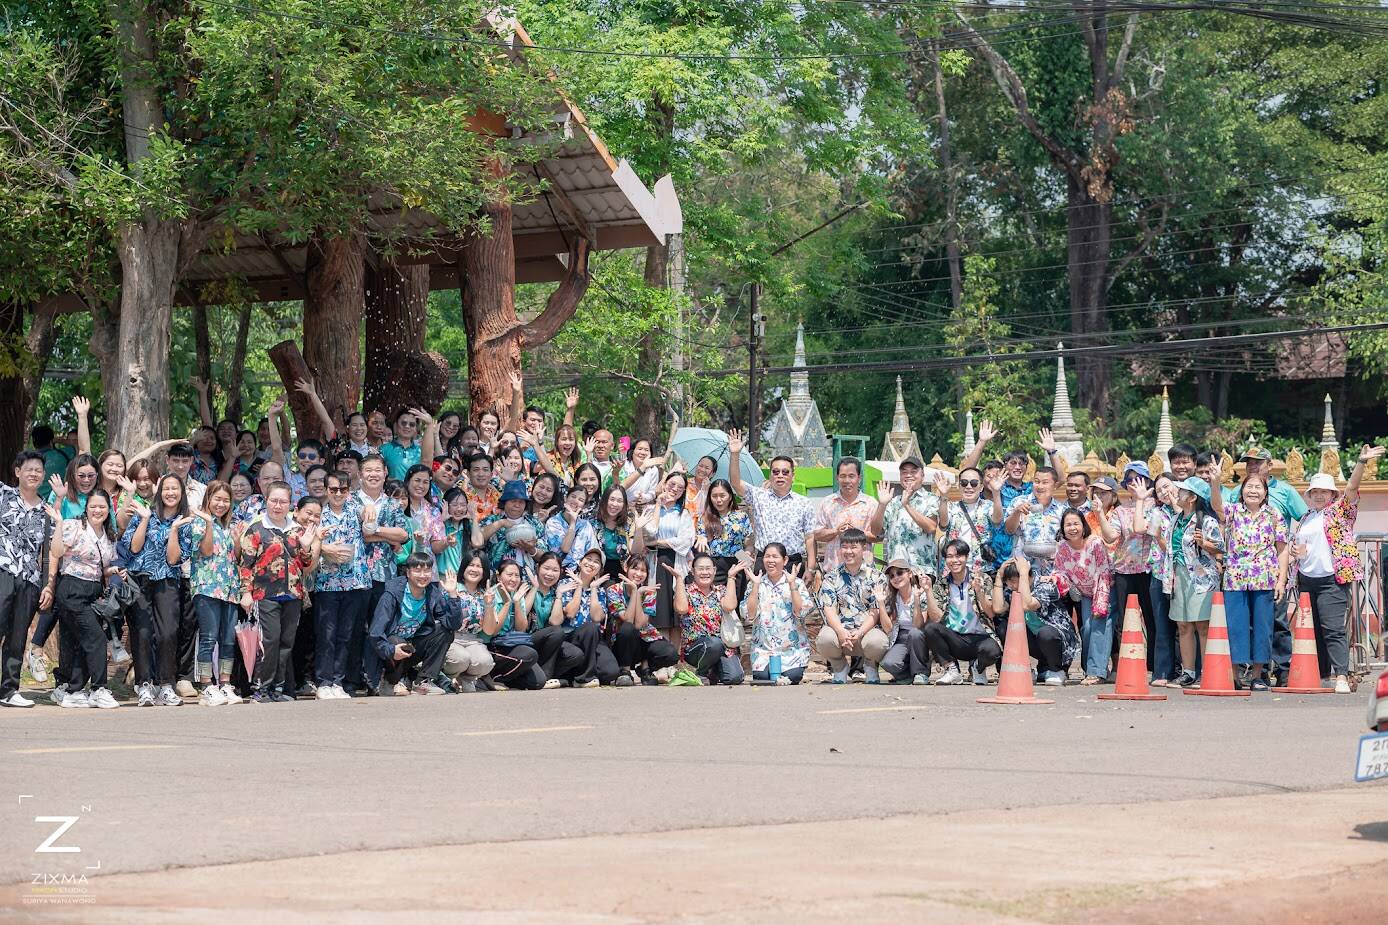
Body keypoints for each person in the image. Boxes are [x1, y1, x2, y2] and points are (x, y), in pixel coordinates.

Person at [1294, 446, 1383, 693]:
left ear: (1332, 494)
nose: (1319, 495)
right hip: (1306, 579)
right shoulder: (1306, 517)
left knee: (1333, 629)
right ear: (1309, 495)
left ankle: (1341, 675)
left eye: (1324, 491)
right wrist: (1295, 552)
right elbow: (1302, 546)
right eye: (1315, 492)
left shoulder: (1340, 511)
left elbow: (1352, 488)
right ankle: (1322, 675)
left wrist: (1361, 462)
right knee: (1314, 630)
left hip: (1332, 579)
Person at [1221, 447, 1308, 688]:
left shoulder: (1279, 505)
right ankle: (1236, 674)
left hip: (1266, 577)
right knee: (1236, 626)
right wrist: (1216, 481)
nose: (1253, 467)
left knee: (1268, 626)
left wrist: (1283, 576)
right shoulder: (1233, 504)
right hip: (1236, 578)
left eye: (1257, 463)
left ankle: (1268, 673)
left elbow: (1300, 524)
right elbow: (1218, 509)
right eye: (1248, 463)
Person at [238, 482, 319, 702]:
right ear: (266, 501)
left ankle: (278, 688)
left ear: (290, 504)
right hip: (264, 594)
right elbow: (246, 564)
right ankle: (261, 688)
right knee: (270, 640)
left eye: (283, 502)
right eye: (274, 500)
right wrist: (246, 592)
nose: (277, 506)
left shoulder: (298, 530)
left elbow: (306, 564)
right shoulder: (257, 529)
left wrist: (305, 546)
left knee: (286, 643)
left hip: (292, 594)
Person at [169, 481, 242, 706]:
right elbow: (207, 550)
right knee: (209, 637)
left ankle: (225, 683)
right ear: (208, 499)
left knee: (228, 639)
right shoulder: (199, 522)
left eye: (226, 500)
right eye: (217, 499)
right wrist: (209, 523)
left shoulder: (228, 525)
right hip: (207, 588)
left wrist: (236, 539)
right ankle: (206, 685)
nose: (221, 504)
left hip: (230, 589)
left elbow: (236, 557)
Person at [46, 487, 119, 709]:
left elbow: (101, 567)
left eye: (102, 507)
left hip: (95, 591)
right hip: (72, 589)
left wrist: (113, 571)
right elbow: (56, 552)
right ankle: (99, 689)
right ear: (86, 508)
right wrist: (59, 524)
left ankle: (74, 691)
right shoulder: (74, 526)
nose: (97, 510)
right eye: (93, 506)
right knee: (97, 639)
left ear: (108, 510)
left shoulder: (109, 535)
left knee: (84, 643)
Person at [122, 474, 190, 708]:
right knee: (142, 633)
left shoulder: (185, 521)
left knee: (168, 633)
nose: (170, 493)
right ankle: (144, 685)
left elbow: (173, 559)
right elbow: (134, 547)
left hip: (167, 580)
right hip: (140, 579)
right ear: (159, 492)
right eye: (166, 488)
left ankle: (166, 685)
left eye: (175, 489)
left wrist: (174, 530)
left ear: (181, 493)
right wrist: (144, 520)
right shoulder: (145, 513)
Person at [0, 451, 58, 708]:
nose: (34, 473)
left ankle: (8, 690)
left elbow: (51, 552)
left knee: (17, 636)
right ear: (17, 472)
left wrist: (48, 584)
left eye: (38, 470)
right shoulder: (3, 495)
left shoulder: (46, 510)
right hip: (3, 570)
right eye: (29, 469)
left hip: (30, 580)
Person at [311, 471, 373, 700]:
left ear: (349, 490)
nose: (338, 494)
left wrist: (370, 509)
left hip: (354, 581)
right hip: (327, 583)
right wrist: (325, 548)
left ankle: (338, 680)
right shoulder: (318, 514)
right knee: (326, 634)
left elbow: (368, 514)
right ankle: (323, 681)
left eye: (343, 489)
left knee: (346, 634)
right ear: (326, 490)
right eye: (333, 489)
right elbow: (303, 537)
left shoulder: (355, 509)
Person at [351, 454, 409, 694]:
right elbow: (357, 535)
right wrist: (386, 536)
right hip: (353, 575)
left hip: (384, 574)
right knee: (355, 628)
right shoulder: (351, 501)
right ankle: (352, 679)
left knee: (379, 628)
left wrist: (375, 530)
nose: (373, 474)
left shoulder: (393, 504)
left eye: (378, 469)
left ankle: (375, 679)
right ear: (360, 475)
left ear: (385, 473)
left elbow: (403, 535)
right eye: (368, 470)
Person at [1163, 476, 1226, 688]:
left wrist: (1204, 543)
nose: (1177, 493)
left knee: (1202, 625)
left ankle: (1208, 672)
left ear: (1192, 498)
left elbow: (1221, 548)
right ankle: (1188, 672)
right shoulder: (1175, 520)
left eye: (1182, 491)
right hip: (1178, 575)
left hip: (1202, 578)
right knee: (1183, 625)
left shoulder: (1207, 521)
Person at [368, 552, 460, 696]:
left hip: (412, 646)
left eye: (427, 571)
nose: (423, 575)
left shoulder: (432, 593)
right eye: (417, 570)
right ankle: (390, 681)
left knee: (444, 631)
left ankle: (423, 680)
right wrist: (390, 650)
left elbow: (452, 624)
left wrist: (453, 595)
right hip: (389, 649)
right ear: (408, 573)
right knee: (397, 641)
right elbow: (375, 633)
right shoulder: (392, 594)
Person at [727, 429, 816, 571]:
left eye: (785, 472)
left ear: (793, 476)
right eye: (775, 472)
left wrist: (810, 569)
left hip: (792, 563)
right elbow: (735, 483)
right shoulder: (759, 496)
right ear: (770, 475)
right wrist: (735, 455)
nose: (780, 475)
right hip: (764, 561)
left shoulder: (804, 503)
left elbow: (810, 538)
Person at [815, 528, 889, 684]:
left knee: (878, 642)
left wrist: (860, 632)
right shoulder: (831, 577)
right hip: (841, 636)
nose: (848, 551)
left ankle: (870, 666)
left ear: (864, 548)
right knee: (824, 638)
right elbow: (829, 608)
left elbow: (875, 611)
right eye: (844, 547)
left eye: (853, 547)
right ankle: (840, 668)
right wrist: (840, 631)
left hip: (866, 634)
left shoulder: (877, 577)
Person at [992, 554, 1077, 687]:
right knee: (1004, 628)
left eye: (1014, 581)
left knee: (1045, 633)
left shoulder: (1046, 585)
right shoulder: (1012, 589)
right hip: (1036, 640)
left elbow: (1027, 605)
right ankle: (1027, 668)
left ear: (1028, 575)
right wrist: (998, 576)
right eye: (1008, 581)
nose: (1011, 585)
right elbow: (998, 608)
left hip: (1058, 642)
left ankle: (1057, 670)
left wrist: (1023, 573)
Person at [923, 542, 1000, 686]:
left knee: (993, 651)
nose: (954, 560)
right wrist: (928, 591)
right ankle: (951, 670)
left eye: (959, 556)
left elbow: (991, 613)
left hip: (980, 637)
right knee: (930, 628)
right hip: (955, 638)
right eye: (950, 556)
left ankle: (977, 668)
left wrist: (979, 592)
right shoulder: (942, 584)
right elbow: (936, 618)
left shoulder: (982, 578)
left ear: (966, 557)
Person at [1053, 508, 1113, 685]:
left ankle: (1097, 672)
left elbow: (1104, 572)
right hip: (1085, 593)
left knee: (1099, 626)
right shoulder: (1062, 547)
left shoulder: (1095, 543)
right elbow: (1060, 572)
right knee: (1086, 628)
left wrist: (1100, 602)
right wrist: (1055, 578)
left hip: (1104, 589)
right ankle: (1090, 669)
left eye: (1076, 524)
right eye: (1068, 525)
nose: (1072, 528)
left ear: (1083, 525)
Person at [739, 543, 811, 685]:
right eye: (767, 556)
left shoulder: (797, 582)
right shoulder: (756, 582)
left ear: (785, 560)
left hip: (791, 649)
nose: (770, 560)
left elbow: (800, 612)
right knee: (763, 678)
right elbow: (749, 615)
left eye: (775, 557)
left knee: (793, 676)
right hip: (764, 649)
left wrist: (792, 585)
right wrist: (755, 586)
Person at [1109, 462, 1158, 672]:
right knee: (1123, 619)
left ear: (1147, 481)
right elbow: (1111, 535)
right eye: (1130, 480)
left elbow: (1143, 529)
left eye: (1139, 479)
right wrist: (1100, 514)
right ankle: (1125, 665)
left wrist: (1141, 500)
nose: (1134, 483)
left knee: (1151, 618)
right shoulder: (1120, 510)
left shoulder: (1156, 506)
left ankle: (1153, 664)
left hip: (1149, 568)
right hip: (1124, 569)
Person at [636, 471, 694, 640]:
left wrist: (657, 542)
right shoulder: (649, 509)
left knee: (676, 615)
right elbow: (649, 534)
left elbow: (685, 541)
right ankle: (659, 650)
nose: (675, 489)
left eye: (680, 487)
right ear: (664, 484)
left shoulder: (684, 513)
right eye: (672, 484)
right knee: (658, 612)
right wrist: (657, 505)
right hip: (654, 563)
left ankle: (674, 654)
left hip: (676, 562)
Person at [528, 550, 598, 688]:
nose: (550, 574)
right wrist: (534, 588)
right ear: (538, 567)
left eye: (555, 570)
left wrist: (559, 594)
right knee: (556, 632)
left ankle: (549, 676)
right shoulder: (527, 587)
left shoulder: (556, 591)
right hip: (529, 639)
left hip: (550, 641)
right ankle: (545, 677)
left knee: (576, 654)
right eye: (546, 568)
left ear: (560, 572)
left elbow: (555, 621)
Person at [672, 552, 744, 686]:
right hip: (695, 648)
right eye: (700, 569)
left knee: (735, 677)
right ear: (693, 571)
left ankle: (712, 670)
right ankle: (700, 671)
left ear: (714, 571)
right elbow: (681, 608)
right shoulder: (686, 590)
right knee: (713, 644)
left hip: (721, 647)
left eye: (708, 568)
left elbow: (730, 606)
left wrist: (731, 577)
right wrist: (679, 579)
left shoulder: (720, 590)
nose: (705, 572)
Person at [606, 556, 680, 685]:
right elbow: (628, 620)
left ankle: (645, 668)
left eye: (643, 570)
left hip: (644, 638)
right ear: (626, 568)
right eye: (635, 568)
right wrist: (635, 592)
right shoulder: (613, 590)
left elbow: (640, 623)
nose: (639, 574)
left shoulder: (649, 592)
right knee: (628, 628)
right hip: (622, 642)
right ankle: (625, 671)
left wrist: (639, 593)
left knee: (671, 654)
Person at [1136, 473, 1181, 684]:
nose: (1164, 492)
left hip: (1183, 574)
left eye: (1167, 486)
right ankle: (1162, 672)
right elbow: (1139, 528)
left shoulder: (1188, 511)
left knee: (1186, 626)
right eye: (1159, 489)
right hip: (1160, 574)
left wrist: (1176, 504)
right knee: (1162, 624)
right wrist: (1140, 500)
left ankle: (1189, 670)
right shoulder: (1156, 512)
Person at [480, 559, 545, 690]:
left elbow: (521, 629)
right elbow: (493, 631)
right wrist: (507, 603)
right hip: (493, 644)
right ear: (499, 577)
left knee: (538, 682)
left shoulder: (517, 594)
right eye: (509, 575)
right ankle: (492, 678)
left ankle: (506, 679)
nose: (514, 579)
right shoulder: (491, 595)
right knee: (529, 654)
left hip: (511, 643)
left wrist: (516, 602)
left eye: (517, 575)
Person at [871, 455, 939, 579]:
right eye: (904, 472)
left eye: (913, 472)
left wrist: (906, 505)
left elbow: (931, 527)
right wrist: (882, 505)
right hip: (896, 571)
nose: (908, 475)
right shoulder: (892, 502)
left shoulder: (931, 499)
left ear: (922, 475)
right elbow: (875, 531)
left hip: (922, 571)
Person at [440, 549, 495, 692]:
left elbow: (489, 631)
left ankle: (467, 679)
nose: (474, 569)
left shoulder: (485, 594)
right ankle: (447, 677)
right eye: (471, 565)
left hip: (473, 640)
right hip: (451, 638)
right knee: (460, 659)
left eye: (479, 566)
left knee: (485, 662)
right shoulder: (452, 587)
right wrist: (451, 593)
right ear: (464, 567)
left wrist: (488, 604)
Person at [812, 456, 878, 572]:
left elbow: (877, 537)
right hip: (833, 571)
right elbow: (817, 535)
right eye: (843, 476)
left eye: (851, 476)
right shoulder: (827, 503)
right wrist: (836, 531)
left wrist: (856, 533)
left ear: (859, 478)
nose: (847, 481)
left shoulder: (871, 504)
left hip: (864, 571)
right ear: (837, 478)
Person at [933, 467, 1001, 574]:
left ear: (981, 487)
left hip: (981, 568)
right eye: (964, 483)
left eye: (974, 483)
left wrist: (996, 493)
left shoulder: (988, 506)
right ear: (958, 486)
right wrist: (943, 496)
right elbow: (943, 524)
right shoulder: (950, 506)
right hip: (954, 568)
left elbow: (997, 521)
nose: (969, 487)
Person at [878, 558, 932, 685]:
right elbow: (888, 629)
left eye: (899, 573)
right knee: (888, 663)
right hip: (901, 636)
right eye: (892, 576)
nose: (896, 578)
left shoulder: (920, 592)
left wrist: (916, 600)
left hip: (920, 636)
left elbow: (918, 625)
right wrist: (880, 603)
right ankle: (907, 676)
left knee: (914, 633)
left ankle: (921, 673)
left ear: (909, 574)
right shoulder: (892, 597)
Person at [696, 478, 752, 595]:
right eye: (714, 496)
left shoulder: (741, 516)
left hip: (737, 562)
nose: (718, 500)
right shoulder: (705, 518)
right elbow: (701, 539)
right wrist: (701, 538)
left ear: (730, 496)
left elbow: (748, 542)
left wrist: (747, 555)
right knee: (716, 599)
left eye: (722, 496)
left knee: (736, 599)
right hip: (714, 564)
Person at [1004, 466, 1067, 565]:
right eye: (1037, 482)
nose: (1040, 486)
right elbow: (1009, 530)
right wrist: (1017, 512)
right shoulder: (1019, 502)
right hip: (1023, 566)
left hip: (1052, 567)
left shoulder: (1061, 510)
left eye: (1045, 482)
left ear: (1055, 486)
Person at [481, 480, 546, 573]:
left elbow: (545, 558)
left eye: (521, 502)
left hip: (526, 577)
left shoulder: (534, 523)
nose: (517, 505)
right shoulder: (492, 520)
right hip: (496, 575)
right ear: (504, 502)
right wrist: (501, 523)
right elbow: (477, 540)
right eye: (513, 501)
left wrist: (531, 549)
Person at [544, 485, 597, 574]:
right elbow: (565, 549)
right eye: (573, 496)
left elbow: (592, 551)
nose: (576, 501)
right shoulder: (553, 522)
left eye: (581, 500)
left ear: (584, 506)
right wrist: (572, 523)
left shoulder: (586, 525)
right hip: (558, 573)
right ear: (565, 498)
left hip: (580, 574)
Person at [591, 483, 637, 583]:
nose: (615, 504)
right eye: (612, 499)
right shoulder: (594, 520)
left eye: (619, 501)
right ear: (604, 500)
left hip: (623, 569)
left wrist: (640, 529)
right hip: (598, 569)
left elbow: (633, 550)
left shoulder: (629, 520)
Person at [378, 409, 423, 481]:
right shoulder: (383, 449)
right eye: (403, 423)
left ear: (416, 428)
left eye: (412, 424)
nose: (407, 426)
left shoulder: (421, 452)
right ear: (395, 425)